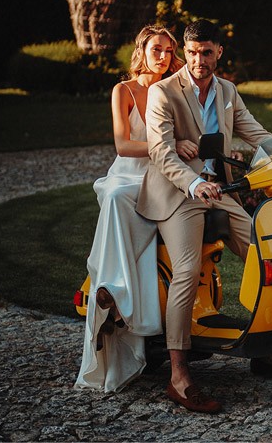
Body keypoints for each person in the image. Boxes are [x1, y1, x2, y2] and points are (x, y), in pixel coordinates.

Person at [136, 19, 272, 414]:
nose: (199, 60)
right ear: (186, 51)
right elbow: (160, 152)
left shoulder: (228, 90)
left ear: (219, 52)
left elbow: (256, 133)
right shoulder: (163, 92)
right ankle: (179, 376)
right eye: (192, 53)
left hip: (221, 190)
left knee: (268, 255)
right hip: (179, 193)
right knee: (187, 269)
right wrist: (194, 185)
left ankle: (265, 349)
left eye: (207, 53)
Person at [76, 25, 186, 392]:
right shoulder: (122, 91)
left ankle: (114, 295)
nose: (164, 56)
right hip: (128, 173)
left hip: (161, 176)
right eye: (157, 49)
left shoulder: (173, 90)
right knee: (115, 197)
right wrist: (167, 146)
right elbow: (123, 145)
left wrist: (175, 150)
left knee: (140, 204)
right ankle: (115, 294)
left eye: (169, 51)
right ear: (142, 50)